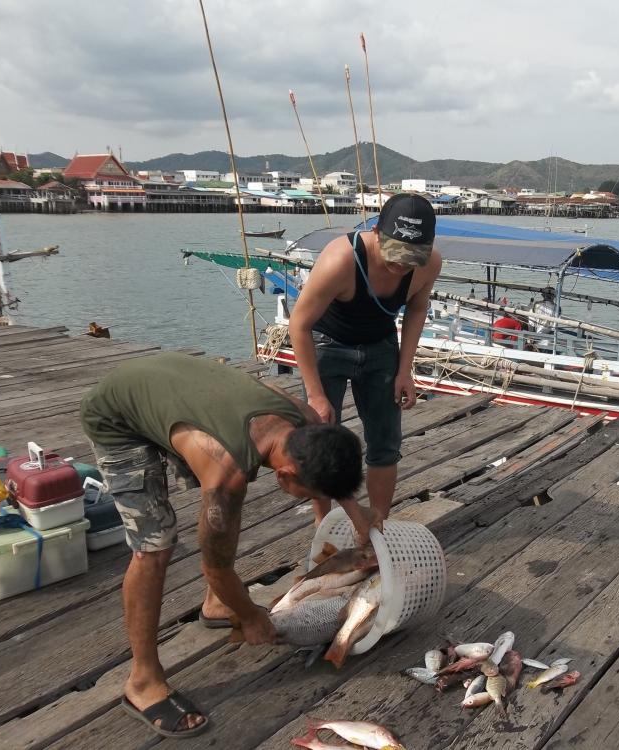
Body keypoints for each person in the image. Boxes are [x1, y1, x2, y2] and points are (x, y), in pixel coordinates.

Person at [80, 352, 364, 737]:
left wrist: (357, 514)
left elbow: (328, 468)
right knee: (155, 547)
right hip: (117, 413)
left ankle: (216, 604)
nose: (309, 499)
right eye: (307, 494)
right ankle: (142, 681)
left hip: (175, 385)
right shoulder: (226, 480)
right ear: (283, 476)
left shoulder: (307, 423)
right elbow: (216, 565)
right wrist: (249, 615)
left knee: (218, 527)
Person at [290, 193, 443, 532]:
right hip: (328, 345)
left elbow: (417, 308)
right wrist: (315, 395)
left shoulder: (430, 264)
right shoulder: (340, 260)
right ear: (376, 231)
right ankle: (323, 524)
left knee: (386, 442)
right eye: (395, 253)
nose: (401, 265)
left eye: (411, 258)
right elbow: (298, 325)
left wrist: (405, 371)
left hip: (380, 347)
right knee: (322, 441)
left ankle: (377, 527)